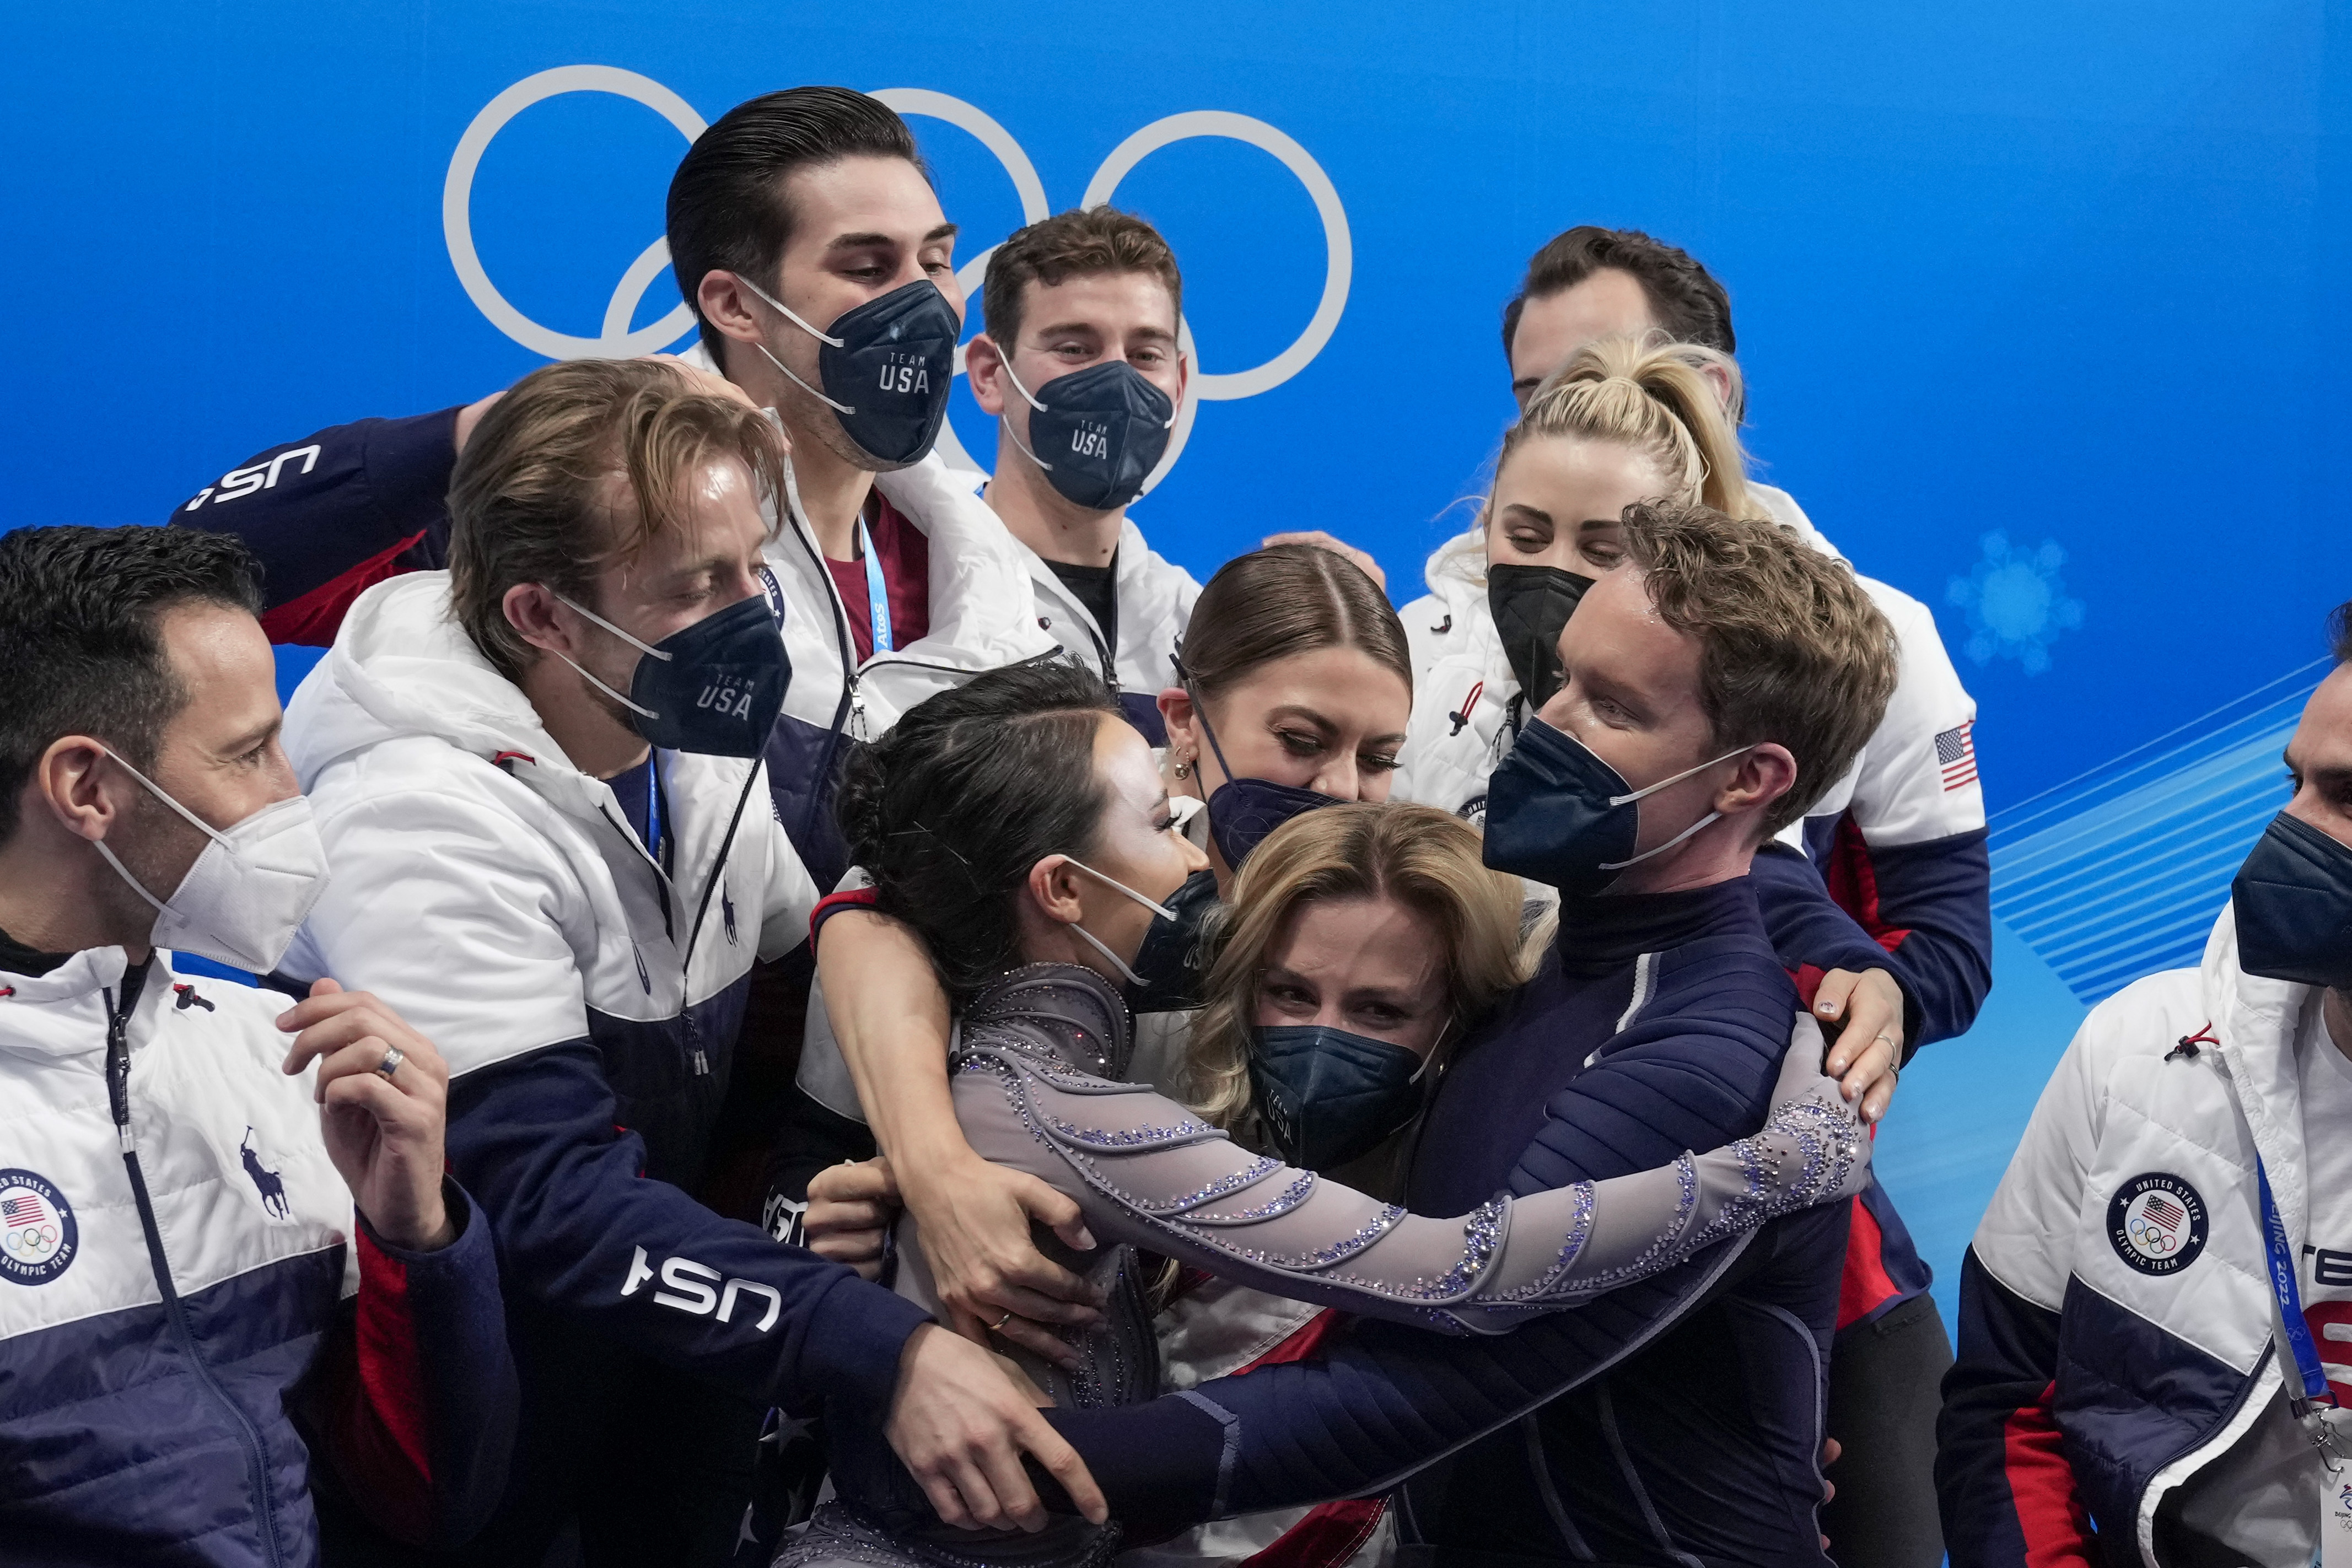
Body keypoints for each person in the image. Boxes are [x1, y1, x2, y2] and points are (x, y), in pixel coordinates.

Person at [821, 497, 1899, 1566]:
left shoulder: (1699, 1042)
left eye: (1610, 705)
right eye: (1559, 677)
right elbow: (902, 878)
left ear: (1751, 779)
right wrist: (927, 1164)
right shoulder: (1535, 955)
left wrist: (963, 1451)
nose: (1549, 720)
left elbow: (1423, 1362)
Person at [271, 359, 1101, 1565]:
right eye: (699, 583)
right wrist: (884, 1343)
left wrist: (867, 1172)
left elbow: (826, 957)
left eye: (753, 562)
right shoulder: (413, 816)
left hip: (657, 1387)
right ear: (540, 615)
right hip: (468, 1447)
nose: (752, 611)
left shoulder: (683, 731)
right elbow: (551, 1205)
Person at [1402, 224, 1991, 1566]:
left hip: (1765, 1248)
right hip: (1456, 1204)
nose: (1583, 408)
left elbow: (1911, 933)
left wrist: (1869, 996)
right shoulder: (1418, 645)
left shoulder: (1860, 638)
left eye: (1619, 375)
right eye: (1538, 398)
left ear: (1707, 399)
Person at [0, 525, 516, 1565]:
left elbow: (429, 1501)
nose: (294, 794)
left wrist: (416, 1236)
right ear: (88, 790)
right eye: (248, 752)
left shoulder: (281, 1060)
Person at [1937, 602, 2352, 1565]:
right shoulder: (2141, 1046)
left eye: (2351, 797)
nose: (2288, 831)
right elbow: (2007, 1406)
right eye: (2293, 784)